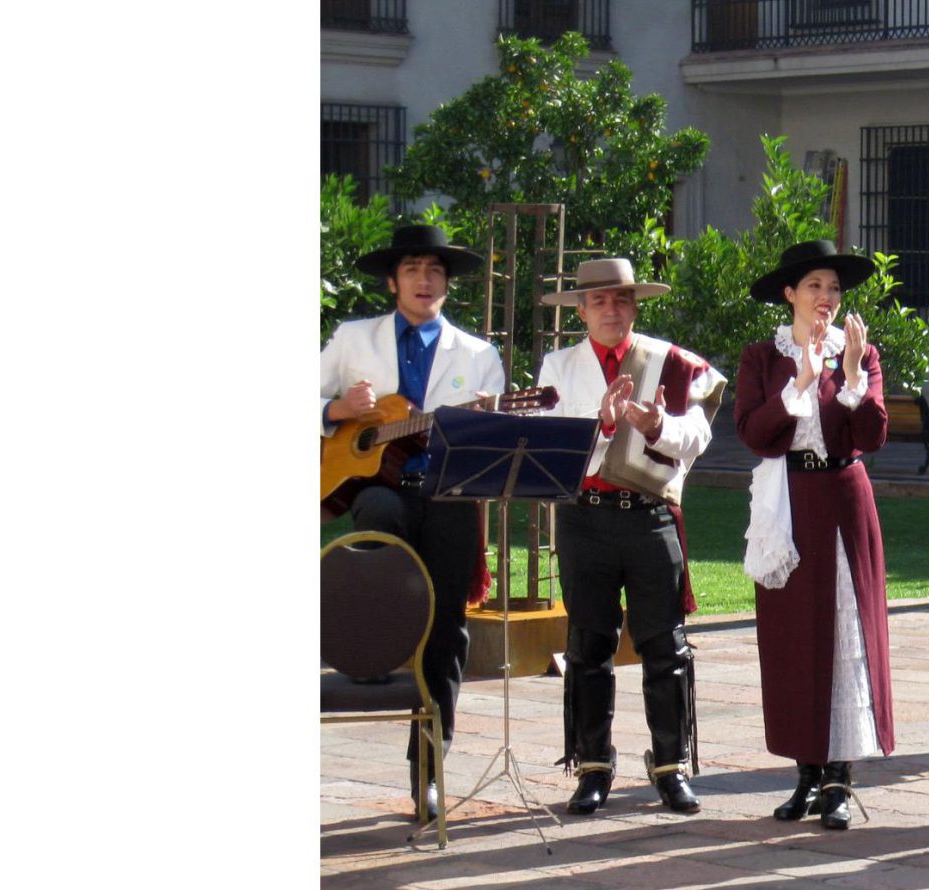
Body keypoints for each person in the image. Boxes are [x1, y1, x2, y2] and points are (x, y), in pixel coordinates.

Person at [319, 223, 507, 824]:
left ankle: (428, 771)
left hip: (448, 497)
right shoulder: (352, 339)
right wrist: (335, 410)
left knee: (448, 628)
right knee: (376, 510)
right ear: (392, 280)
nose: (425, 281)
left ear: (447, 284)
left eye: (435, 271)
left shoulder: (479, 356)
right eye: (413, 270)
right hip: (379, 494)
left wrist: (475, 425)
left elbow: (499, 442)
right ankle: (383, 619)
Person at [538, 258, 729, 816]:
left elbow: (698, 435)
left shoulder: (669, 360)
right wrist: (600, 422)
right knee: (588, 646)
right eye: (598, 301)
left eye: (621, 299)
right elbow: (548, 447)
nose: (611, 310)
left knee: (664, 646)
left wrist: (655, 427)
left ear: (634, 305)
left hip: (649, 515)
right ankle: (592, 766)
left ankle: (671, 767)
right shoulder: (558, 364)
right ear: (580, 310)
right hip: (585, 515)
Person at [736, 240, 895, 831]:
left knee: (846, 629)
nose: (826, 298)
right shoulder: (762, 356)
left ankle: (839, 780)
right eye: (814, 287)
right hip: (789, 503)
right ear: (790, 295)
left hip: (844, 499)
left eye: (833, 288)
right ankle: (805, 772)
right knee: (794, 638)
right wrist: (799, 381)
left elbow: (872, 435)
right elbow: (754, 431)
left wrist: (851, 376)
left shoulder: (861, 352)